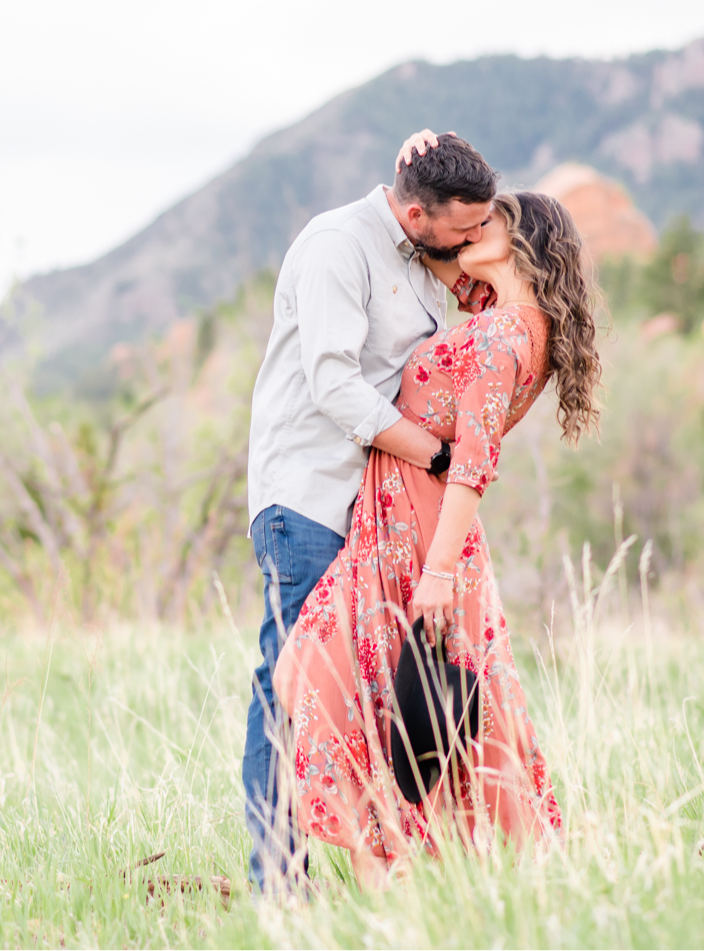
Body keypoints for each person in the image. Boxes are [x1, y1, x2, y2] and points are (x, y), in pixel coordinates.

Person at [272, 173, 602, 891]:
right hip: (396, 516)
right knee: (360, 687)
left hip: (420, 525)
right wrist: (413, 189)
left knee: (328, 678)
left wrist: (439, 572)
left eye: (489, 224)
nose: (472, 235)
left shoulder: (505, 335)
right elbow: (423, 245)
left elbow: (474, 461)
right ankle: (391, 877)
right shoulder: (507, 320)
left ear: (520, 242)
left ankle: (395, 871)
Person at [243, 134, 498, 893]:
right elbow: (336, 386)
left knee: (350, 693)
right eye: (463, 229)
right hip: (308, 500)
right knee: (291, 686)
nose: (473, 240)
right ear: (416, 215)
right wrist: (439, 456)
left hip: (364, 511)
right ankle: (278, 885)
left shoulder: (423, 248)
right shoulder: (336, 247)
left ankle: (372, 874)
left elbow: (478, 283)